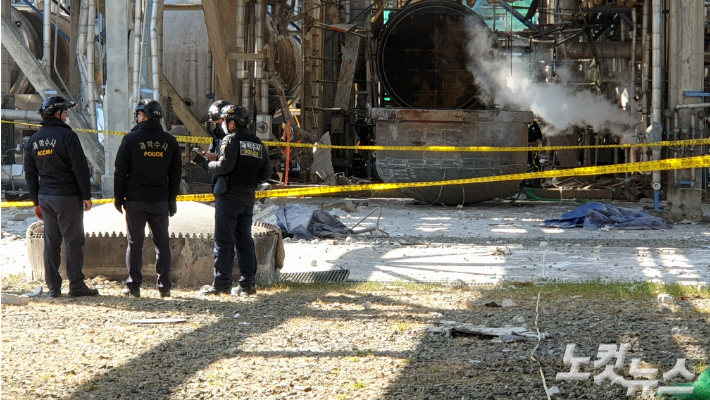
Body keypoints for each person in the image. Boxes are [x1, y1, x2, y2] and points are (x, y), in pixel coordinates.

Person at [24, 96, 99, 297]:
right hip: (67, 197)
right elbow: (80, 168)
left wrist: (35, 201)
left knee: (52, 243)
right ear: (57, 113)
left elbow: (30, 174)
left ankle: (53, 288)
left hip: (46, 198)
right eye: (65, 112)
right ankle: (76, 286)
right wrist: (86, 195)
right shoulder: (68, 136)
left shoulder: (34, 140)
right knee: (74, 241)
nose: (67, 115)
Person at [198, 104, 271, 296]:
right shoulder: (257, 143)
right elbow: (267, 172)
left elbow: (224, 167)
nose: (222, 125)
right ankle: (247, 285)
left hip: (229, 196)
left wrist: (207, 164)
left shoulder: (231, 139)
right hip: (247, 198)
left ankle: (222, 284)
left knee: (224, 241)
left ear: (231, 123)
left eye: (224, 121)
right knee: (245, 240)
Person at [114, 100, 182, 298]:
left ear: (143, 115)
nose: (136, 117)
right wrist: (171, 200)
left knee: (135, 242)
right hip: (160, 200)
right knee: (162, 243)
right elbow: (176, 175)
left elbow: (120, 172)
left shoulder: (130, 139)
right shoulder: (169, 141)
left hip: (135, 200)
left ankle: (134, 286)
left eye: (138, 114)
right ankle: (164, 287)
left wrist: (118, 198)